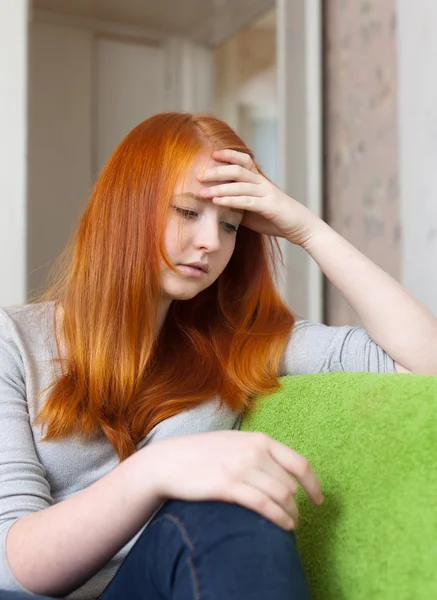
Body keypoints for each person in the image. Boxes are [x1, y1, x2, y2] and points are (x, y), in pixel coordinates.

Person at [0, 112, 436, 600]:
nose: (211, 242)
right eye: (188, 212)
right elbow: (13, 570)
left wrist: (309, 230)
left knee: (232, 505)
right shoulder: (12, 342)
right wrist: (158, 469)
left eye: (229, 225)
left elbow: (427, 361)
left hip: (167, 580)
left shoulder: (237, 343)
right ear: (125, 208)